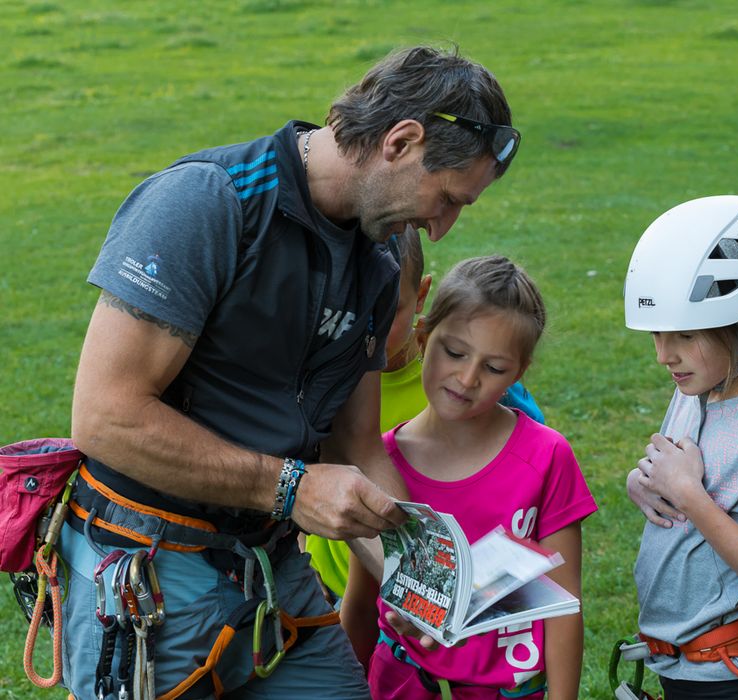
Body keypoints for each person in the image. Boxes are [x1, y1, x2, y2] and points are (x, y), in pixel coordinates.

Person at [63, 45, 521, 699]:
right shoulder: (208, 203)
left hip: (272, 571)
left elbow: (356, 443)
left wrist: (427, 588)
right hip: (150, 570)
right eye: (446, 198)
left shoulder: (383, 254)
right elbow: (106, 417)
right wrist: (289, 489)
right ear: (401, 140)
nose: (441, 229)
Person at [343, 255, 597, 699]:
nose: (467, 377)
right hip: (399, 684)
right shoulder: (382, 459)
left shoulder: (546, 456)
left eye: (494, 368)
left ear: (519, 373)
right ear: (424, 337)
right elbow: (361, 603)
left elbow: (564, 606)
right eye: (455, 352)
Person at [304, 229, 546, 604]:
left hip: (440, 593)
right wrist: (304, 557)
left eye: (389, 309)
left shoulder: (455, 384)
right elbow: (300, 469)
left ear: (420, 297)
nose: (372, 327)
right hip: (335, 587)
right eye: (358, 310)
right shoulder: (322, 379)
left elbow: (529, 478)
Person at [623, 195, 738, 699]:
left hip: (732, 681)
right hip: (682, 670)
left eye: (682, 334)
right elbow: (682, 475)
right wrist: (648, 482)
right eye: (657, 334)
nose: (663, 355)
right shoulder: (699, 387)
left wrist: (691, 496)